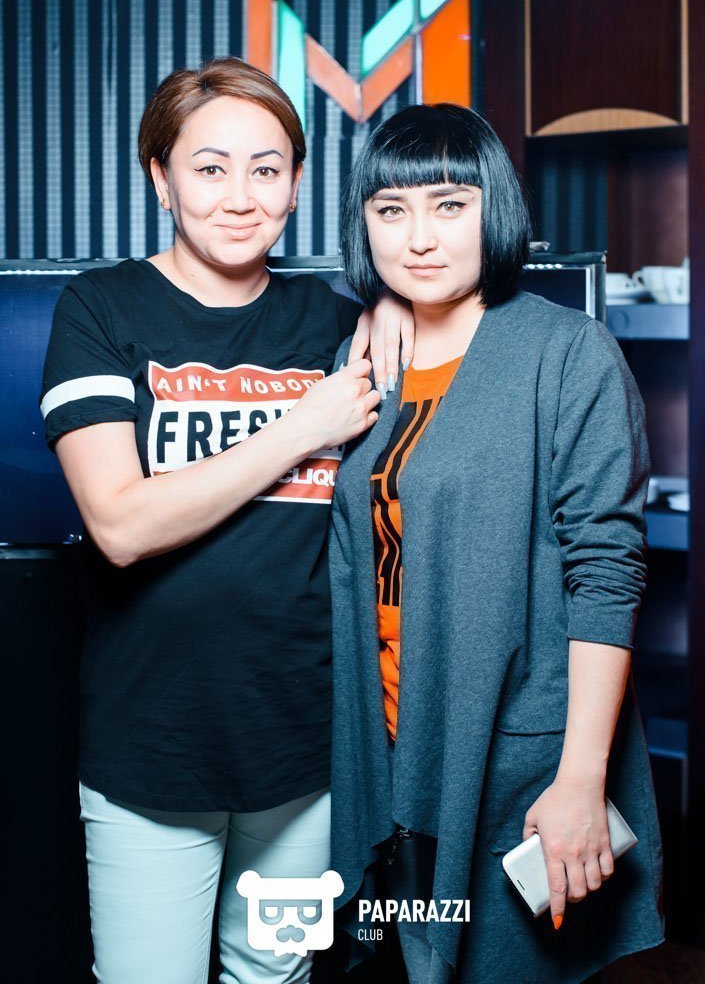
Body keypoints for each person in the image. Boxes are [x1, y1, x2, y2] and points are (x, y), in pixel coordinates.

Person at [39, 57, 414, 984]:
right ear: (160, 178)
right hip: (152, 747)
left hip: (309, 749)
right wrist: (300, 427)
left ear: (296, 182)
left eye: (266, 168)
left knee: (275, 977)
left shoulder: (338, 323)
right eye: (209, 168)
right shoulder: (100, 308)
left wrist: (398, 303)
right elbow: (121, 524)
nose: (240, 197)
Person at [329, 103, 665, 984]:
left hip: (512, 752)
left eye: (450, 204)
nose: (419, 237)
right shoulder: (362, 361)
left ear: (496, 209)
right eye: (390, 210)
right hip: (387, 750)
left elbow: (605, 571)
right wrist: (375, 311)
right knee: (411, 963)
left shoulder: (567, 352)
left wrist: (580, 778)